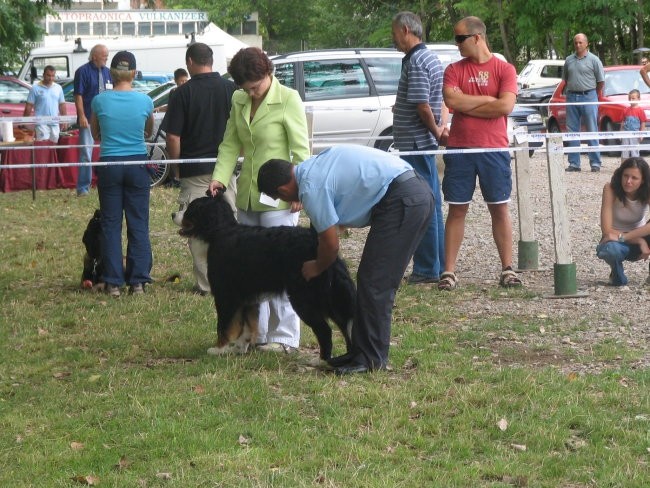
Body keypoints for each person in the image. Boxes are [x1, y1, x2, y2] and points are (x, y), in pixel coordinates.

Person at [257, 145, 434, 375]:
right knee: (371, 278)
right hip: (410, 191)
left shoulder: (311, 188)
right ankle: (360, 353)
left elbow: (330, 245)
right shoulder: (314, 165)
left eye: (279, 197)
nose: (283, 201)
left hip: (404, 199)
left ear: (282, 189)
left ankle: (370, 360)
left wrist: (316, 266)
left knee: (375, 281)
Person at [207, 47, 310, 354]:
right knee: (249, 271)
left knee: (282, 269)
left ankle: (286, 337)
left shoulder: (289, 99)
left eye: (255, 86)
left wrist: (300, 190)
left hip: (280, 197)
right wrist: (219, 177)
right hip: (248, 198)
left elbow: (301, 150)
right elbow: (230, 144)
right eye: (245, 88)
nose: (250, 93)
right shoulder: (238, 100)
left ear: (269, 74)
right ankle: (256, 334)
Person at [438, 15, 521, 291]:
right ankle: (448, 271)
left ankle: (507, 269)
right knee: (457, 209)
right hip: (460, 148)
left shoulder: (505, 69)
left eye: (460, 38)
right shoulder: (453, 69)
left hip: (493, 147)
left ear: (477, 37)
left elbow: (505, 107)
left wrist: (469, 104)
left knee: (499, 207)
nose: (457, 43)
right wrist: (488, 100)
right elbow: (451, 101)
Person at [165, 43, 236, 296]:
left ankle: (206, 285)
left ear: (190, 62)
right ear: (212, 61)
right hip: (227, 171)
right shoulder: (232, 89)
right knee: (229, 226)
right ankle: (229, 280)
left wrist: (176, 169)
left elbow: (173, 137)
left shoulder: (181, 93)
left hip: (194, 170)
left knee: (195, 229)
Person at [90, 51, 154, 297]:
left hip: (110, 164)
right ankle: (137, 281)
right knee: (138, 223)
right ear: (134, 73)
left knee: (110, 223)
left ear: (111, 73)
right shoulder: (145, 101)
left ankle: (113, 281)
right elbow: (147, 132)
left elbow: (96, 133)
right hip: (137, 164)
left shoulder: (99, 101)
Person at [391, 11, 448, 285]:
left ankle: (427, 268)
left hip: (415, 143)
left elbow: (422, 104)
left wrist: (436, 130)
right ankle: (439, 264)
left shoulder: (416, 61)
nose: (393, 39)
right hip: (421, 142)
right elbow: (437, 101)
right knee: (432, 203)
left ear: (405, 30)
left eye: (394, 33)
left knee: (421, 204)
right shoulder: (430, 57)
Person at [597, 157, 650, 286]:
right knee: (610, 249)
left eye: (634, 178)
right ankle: (617, 275)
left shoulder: (648, 191)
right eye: (625, 176)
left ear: (643, 180)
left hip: (627, 237)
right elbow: (607, 231)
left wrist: (626, 237)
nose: (628, 181)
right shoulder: (610, 189)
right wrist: (639, 240)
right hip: (616, 242)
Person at [563, 33, 605, 173]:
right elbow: (566, 80)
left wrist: (593, 95)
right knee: (572, 131)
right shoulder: (569, 60)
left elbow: (601, 82)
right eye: (575, 42)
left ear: (586, 44)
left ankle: (595, 163)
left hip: (589, 96)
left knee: (592, 129)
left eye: (580, 42)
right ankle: (574, 163)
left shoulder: (594, 60)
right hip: (572, 97)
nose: (578, 45)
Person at [73, 44, 112, 196]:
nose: (106, 58)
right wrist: (81, 115)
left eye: (107, 56)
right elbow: (78, 96)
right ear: (94, 55)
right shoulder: (82, 71)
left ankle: (106, 183)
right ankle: (83, 187)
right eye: (104, 55)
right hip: (88, 118)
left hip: (107, 118)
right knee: (86, 153)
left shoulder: (109, 73)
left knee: (108, 151)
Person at [23, 65, 67, 143]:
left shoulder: (58, 88)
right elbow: (29, 106)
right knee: (43, 147)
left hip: (55, 122)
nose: (51, 78)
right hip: (41, 123)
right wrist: (24, 121)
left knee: (54, 147)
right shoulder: (35, 88)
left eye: (53, 76)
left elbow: (62, 105)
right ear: (43, 75)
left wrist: (65, 120)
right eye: (48, 75)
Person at [620, 89, 646, 162]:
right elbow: (623, 122)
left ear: (638, 99)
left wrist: (641, 134)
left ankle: (636, 165)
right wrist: (620, 133)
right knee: (625, 151)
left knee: (634, 151)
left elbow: (643, 123)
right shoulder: (625, 110)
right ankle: (624, 166)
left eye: (633, 98)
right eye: (630, 98)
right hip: (625, 134)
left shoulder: (640, 110)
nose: (631, 100)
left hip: (635, 134)